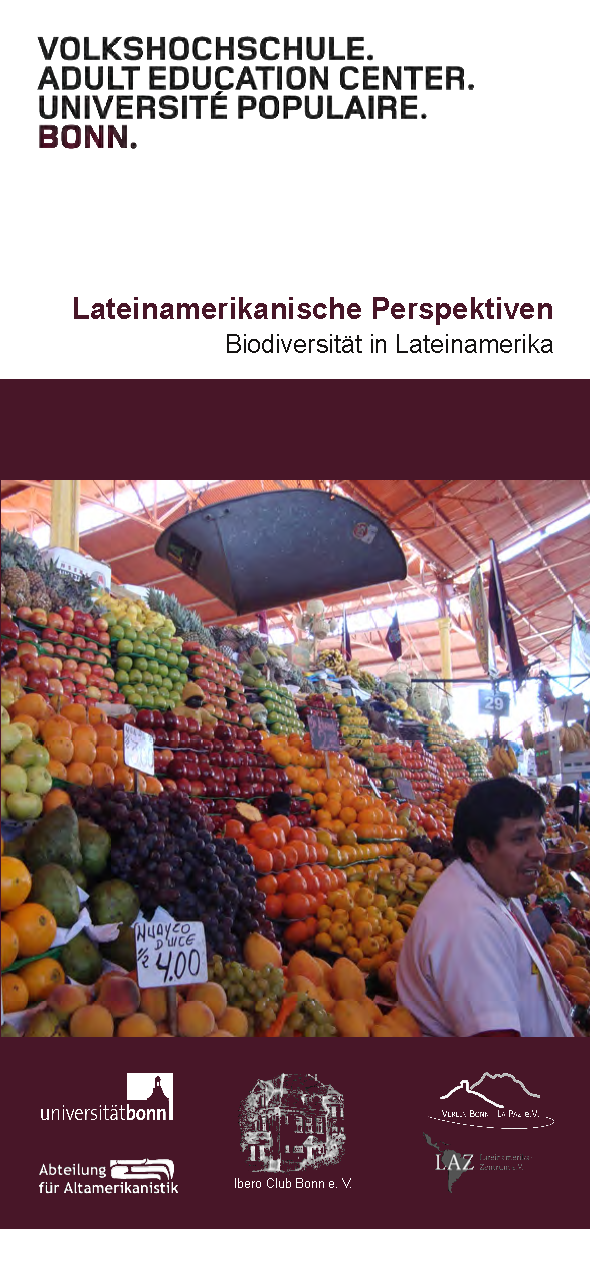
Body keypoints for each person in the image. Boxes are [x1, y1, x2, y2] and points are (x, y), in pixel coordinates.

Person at [396, 779, 574, 1037]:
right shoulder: (469, 924)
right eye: (520, 838)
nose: (539, 851)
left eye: (540, 835)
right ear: (478, 848)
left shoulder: (496, 885)